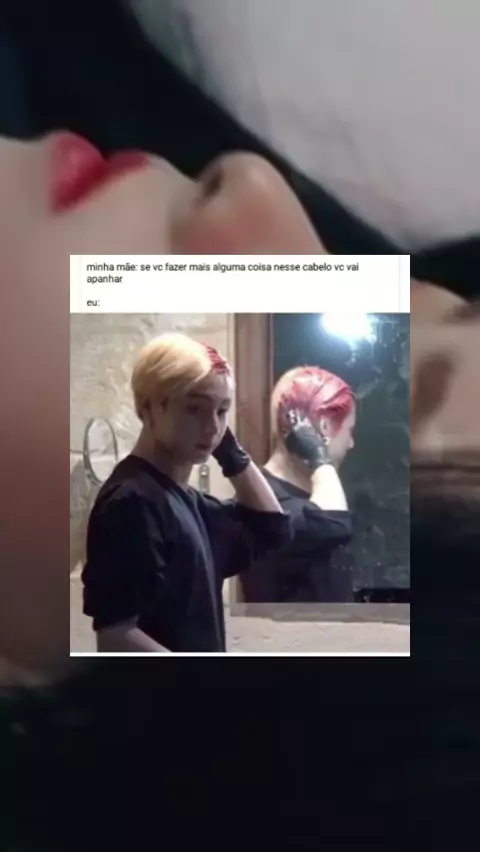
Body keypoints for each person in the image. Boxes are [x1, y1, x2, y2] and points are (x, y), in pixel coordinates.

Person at [81, 332, 292, 652]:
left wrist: (230, 452)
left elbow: (271, 528)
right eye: (194, 409)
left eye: (222, 411)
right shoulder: (133, 502)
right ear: (148, 407)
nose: (212, 427)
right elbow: (116, 635)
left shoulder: (190, 502)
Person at [240, 367, 356, 603]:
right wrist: (319, 458)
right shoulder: (265, 502)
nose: (351, 443)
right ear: (324, 427)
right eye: (350, 431)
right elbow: (333, 523)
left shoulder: (307, 497)